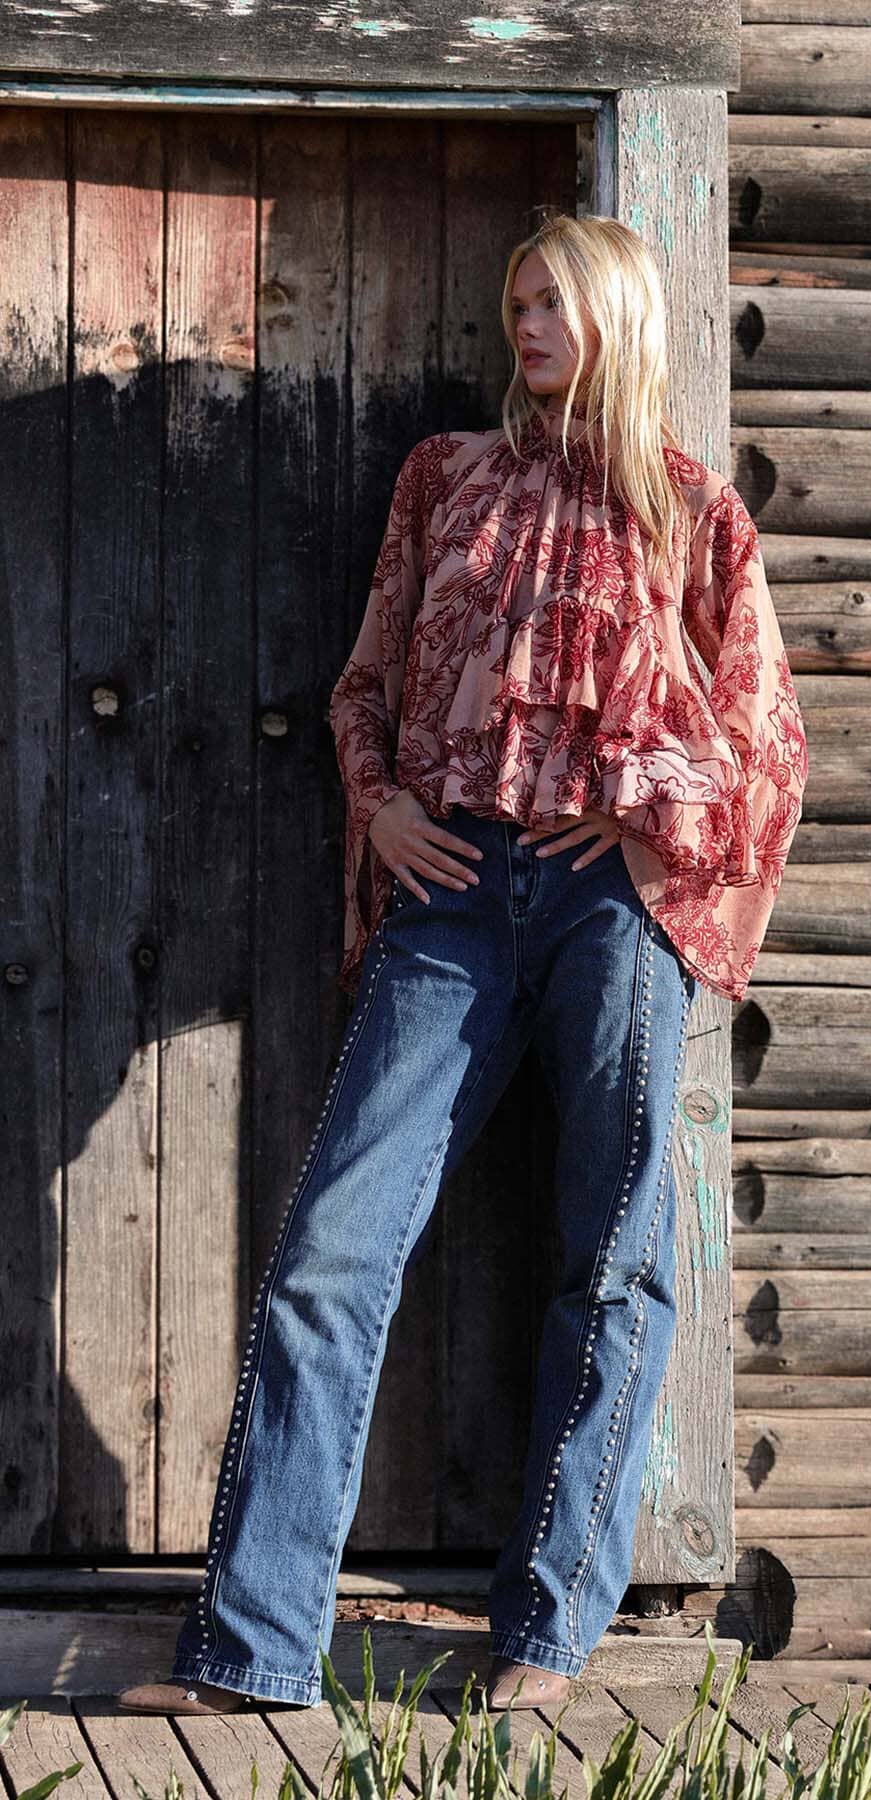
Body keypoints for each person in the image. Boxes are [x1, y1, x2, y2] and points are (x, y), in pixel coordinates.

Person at [117, 212, 807, 1718]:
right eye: (517, 297)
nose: (527, 321)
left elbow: (767, 743)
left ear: (621, 315)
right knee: (330, 1252)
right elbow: (366, 682)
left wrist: (642, 819)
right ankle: (255, 1649)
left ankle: (548, 1631)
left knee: (616, 1259)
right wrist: (381, 805)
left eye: (555, 298)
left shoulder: (697, 514)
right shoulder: (445, 479)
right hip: (451, 893)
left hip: (612, 902)